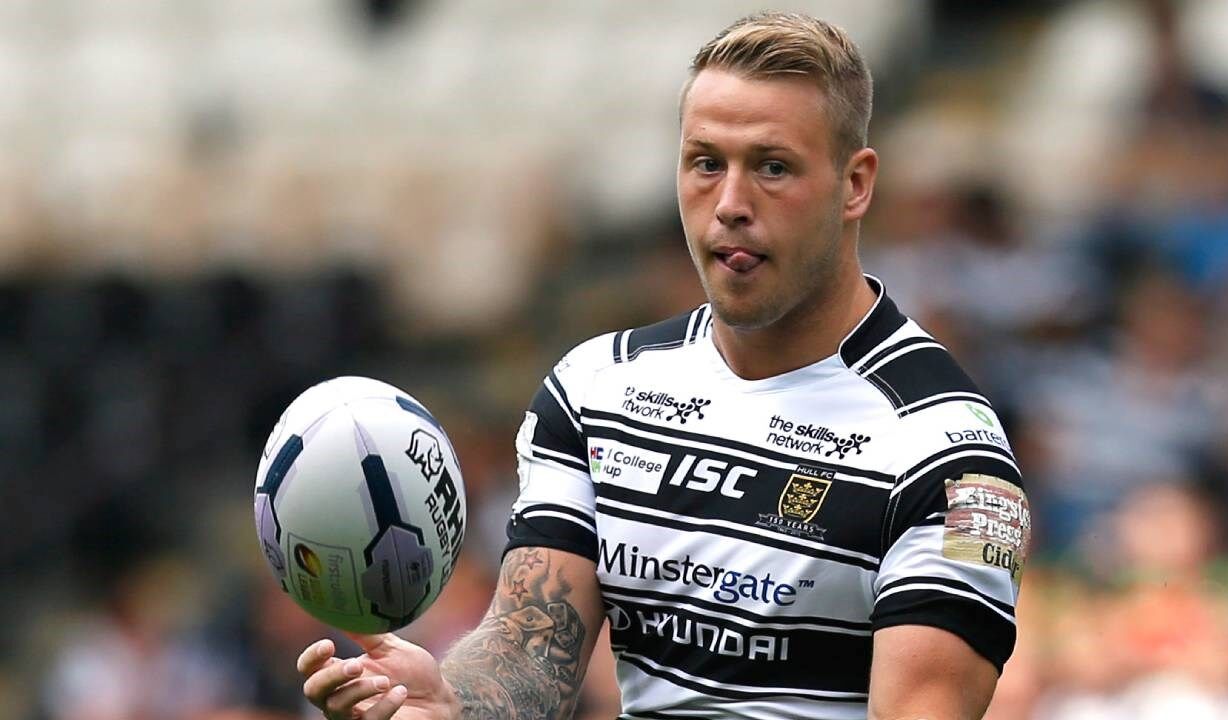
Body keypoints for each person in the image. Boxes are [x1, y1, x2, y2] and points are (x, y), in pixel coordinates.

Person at [298, 11, 1029, 720]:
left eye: (773, 167)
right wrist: (452, 705)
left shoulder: (957, 460)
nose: (731, 204)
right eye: (706, 163)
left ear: (856, 185)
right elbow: (529, 659)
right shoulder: (594, 391)